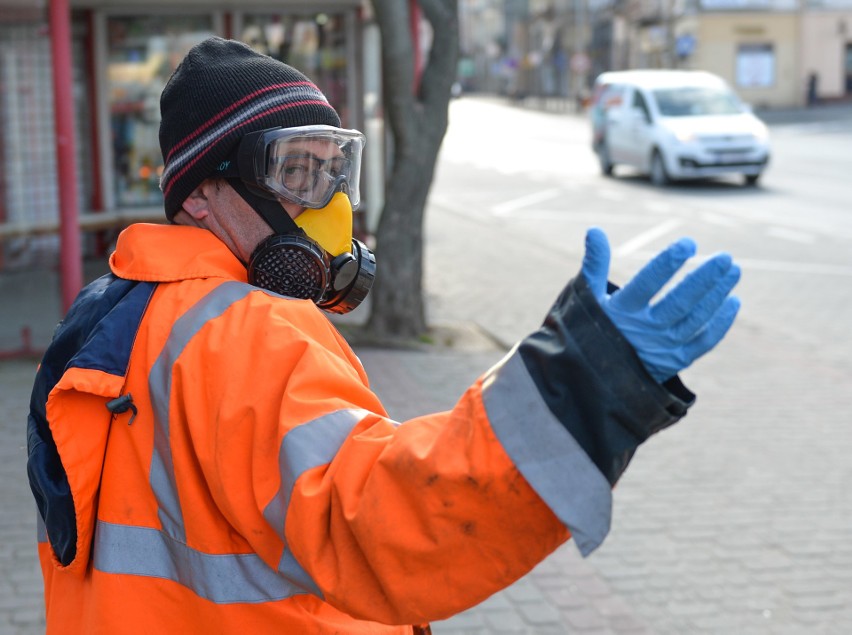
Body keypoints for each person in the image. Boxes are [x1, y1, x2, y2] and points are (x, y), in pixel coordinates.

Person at [27, 37, 741, 634]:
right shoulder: (250, 330)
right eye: (294, 172)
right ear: (204, 192)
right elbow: (386, 518)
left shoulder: (109, 315)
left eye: (334, 170)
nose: (328, 203)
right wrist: (584, 383)